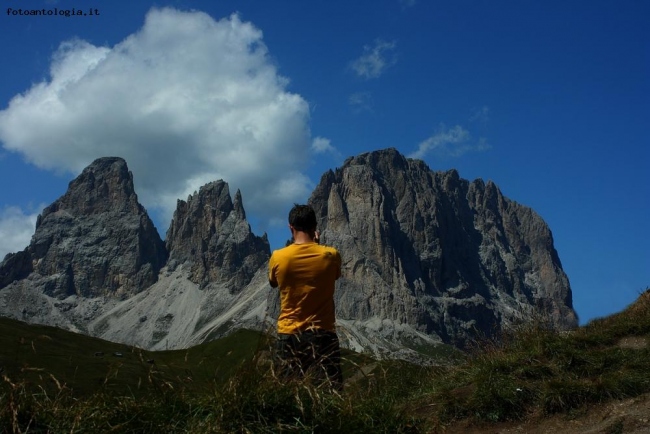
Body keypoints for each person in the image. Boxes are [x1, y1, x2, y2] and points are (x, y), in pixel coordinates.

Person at [268, 204, 343, 389]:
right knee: (329, 394)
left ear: (290, 227)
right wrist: (317, 246)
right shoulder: (331, 255)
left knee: (285, 394)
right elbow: (335, 275)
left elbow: (273, 282)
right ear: (315, 227)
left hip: (289, 335)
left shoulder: (278, 257)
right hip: (322, 335)